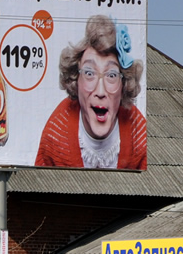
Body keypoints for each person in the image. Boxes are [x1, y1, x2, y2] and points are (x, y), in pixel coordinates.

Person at [34, 15, 147, 170]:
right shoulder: (55, 133)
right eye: (89, 73)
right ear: (75, 81)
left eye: (112, 75)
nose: (100, 92)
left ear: (124, 85)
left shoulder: (139, 133)